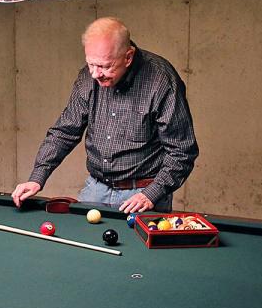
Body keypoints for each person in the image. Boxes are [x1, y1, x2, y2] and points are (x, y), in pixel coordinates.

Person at [11, 17, 198, 214]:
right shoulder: (88, 77)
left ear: (128, 57)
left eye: (105, 66)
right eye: (90, 64)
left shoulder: (161, 80)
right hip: (96, 188)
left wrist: (152, 193)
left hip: (142, 193)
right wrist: (37, 177)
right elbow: (64, 132)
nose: (95, 74)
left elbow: (182, 151)